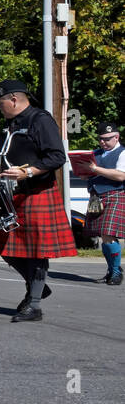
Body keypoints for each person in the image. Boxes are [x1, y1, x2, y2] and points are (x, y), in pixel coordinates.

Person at [0, 80, 80, 321]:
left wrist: (29, 172)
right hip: (12, 193)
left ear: (14, 99)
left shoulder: (40, 120)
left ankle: (34, 305)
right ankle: (38, 287)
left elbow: (57, 156)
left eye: (1, 102)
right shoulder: (10, 123)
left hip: (37, 192)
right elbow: (3, 149)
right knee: (4, 247)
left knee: (36, 251)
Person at [85, 121, 123, 285]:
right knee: (103, 236)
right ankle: (112, 269)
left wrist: (94, 169)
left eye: (107, 139)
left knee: (108, 234)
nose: (103, 142)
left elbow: (121, 176)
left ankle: (116, 272)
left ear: (116, 137)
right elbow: (87, 174)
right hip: (96, 197)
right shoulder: (95, 153)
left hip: (116, 195)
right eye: (101, 139)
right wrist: (84, 172)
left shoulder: (122, 153)